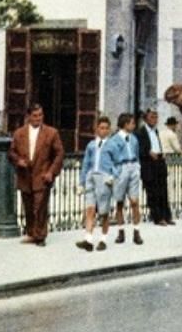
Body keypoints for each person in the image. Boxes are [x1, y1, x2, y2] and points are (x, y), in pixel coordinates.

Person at [8, 102, 65, 247]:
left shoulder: (52, 133)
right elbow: (11, 152)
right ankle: (31, 233)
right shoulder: (19, 133)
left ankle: (40, 236)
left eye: (40, 115)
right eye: (35, 116)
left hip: (42, 175)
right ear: (28, 117)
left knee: (39, 206)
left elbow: (59, 154)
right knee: (27, 206)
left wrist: (51, 172)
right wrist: (18, 161)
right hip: (25, 175)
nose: (38, 118)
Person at [76, 116, 116, 252]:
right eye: (101, 128)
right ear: (97, 129)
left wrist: (113, 176)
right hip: (91, 177)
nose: (103, 131)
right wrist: (81, 183)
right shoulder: (91, 145)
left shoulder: (112, 145)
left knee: (104, 212)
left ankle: (103, 239)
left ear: (109, 130)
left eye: (106, 128)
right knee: (90, 209)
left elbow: (118, 163)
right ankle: (88, 239)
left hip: (104, 178)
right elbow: (86, 164)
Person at [106, 112, 144, 244]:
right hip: (121, 168)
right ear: (125, 124)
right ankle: (121, 231)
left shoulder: (134, 139)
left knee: (135, 201)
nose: (134, 125)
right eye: (132, 123)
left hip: (133, 166)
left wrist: (137, 167)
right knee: (120, 202)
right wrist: (114, 172)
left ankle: (136, 231)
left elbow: (137, 153)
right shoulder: (114, 140)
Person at [137, 109, 173, 226]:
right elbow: (139, 149)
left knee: (163, 190)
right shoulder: (140, 132)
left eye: (156, 117)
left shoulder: (156, 131)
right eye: (152, 117)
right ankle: (157, 217)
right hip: (149, 165)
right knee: (153, 192)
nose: (155, 120)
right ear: (146, 119)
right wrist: (148, 152)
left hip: (159, 162)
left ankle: (166, 216)